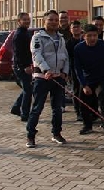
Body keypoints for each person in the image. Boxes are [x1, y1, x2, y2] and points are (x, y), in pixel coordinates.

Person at [25, 9, 70, 148]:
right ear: (44, 21)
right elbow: (36, 55)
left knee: (57, 108)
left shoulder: (61, 38)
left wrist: (65, 72)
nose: (54, 22)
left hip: (58, 78)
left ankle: (56, 133)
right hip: (42, 78)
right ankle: (30, 136)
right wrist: (46, 70)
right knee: (37, 108)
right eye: (50, 20)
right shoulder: (37, 37)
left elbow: (65, 56)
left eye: (56, 20)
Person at [74, 24, 104, 140]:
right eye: (89, 36)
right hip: (87, 79)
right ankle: (87, 125)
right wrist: (84, 85)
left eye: (95, 35)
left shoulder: (103, 45)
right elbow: (77, 68)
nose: (92, 38)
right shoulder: (78, 48)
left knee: (103, 101)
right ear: (84, 36)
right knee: (83, 103)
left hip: (102, 78)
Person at [10, 12, 34, 122]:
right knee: (28, 91)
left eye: (28, 19)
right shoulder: (19, 35)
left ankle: (16, 108)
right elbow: (18, 53)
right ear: (19, 22)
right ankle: (25, 114)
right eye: (24, 19)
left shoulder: (25, 32)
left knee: (27, 89)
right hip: (21, 67)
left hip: (25, 66)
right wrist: (24, 66)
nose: (27, 21)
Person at [65, 20, 84, 121]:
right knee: (76, 91)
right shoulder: (68, 43)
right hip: (73, 70)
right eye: (74, 27)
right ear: (70, 30)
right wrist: (67, 72)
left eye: (77, 27)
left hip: (85, 69)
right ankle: (78, 112)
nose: (76, 29)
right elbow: (66, 58)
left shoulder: (84, 40)